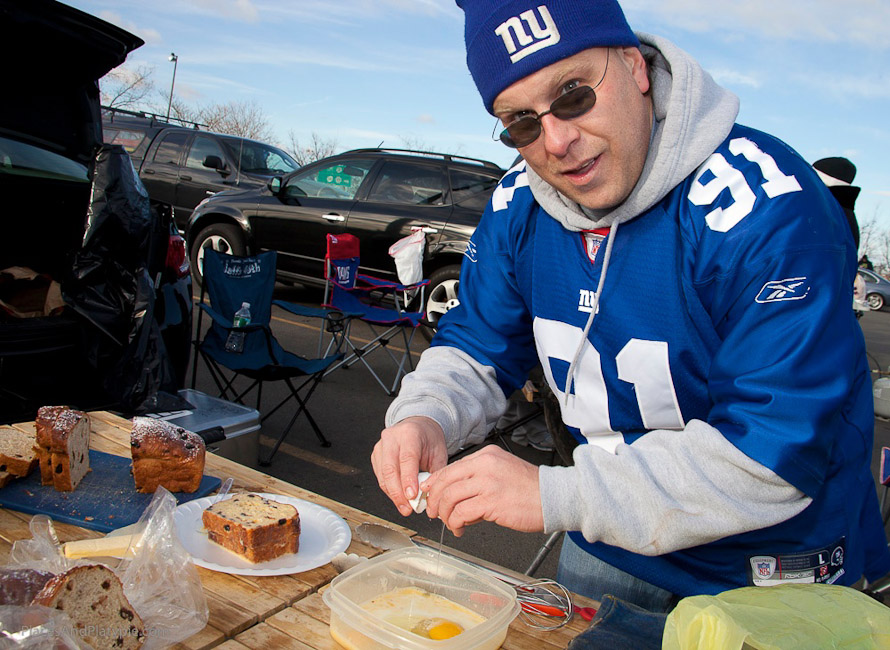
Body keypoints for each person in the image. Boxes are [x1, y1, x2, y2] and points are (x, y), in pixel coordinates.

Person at [371, 0, 890, 612]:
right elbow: (476, 343)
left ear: (635, 65)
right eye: (521, 123)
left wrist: (553, 495)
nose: (557, 141)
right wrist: (425, 416)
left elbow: (773, 451)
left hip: (770, 565)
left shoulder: (767, 207)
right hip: (610, 541)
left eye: (573, 94)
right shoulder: (518, 205)